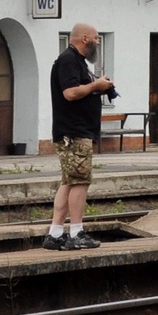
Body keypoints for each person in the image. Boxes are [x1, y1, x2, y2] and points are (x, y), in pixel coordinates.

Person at [45, 24, 115, 250]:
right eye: (96, 37)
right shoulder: (69, 60)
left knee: (69, 181)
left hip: (75, 131)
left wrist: (97, 86)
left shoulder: (77, 62)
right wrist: (96, 85)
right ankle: (76, 232)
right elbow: (70, 93)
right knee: (80, 182)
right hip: (74, 133)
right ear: (84, 39)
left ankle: (55, 233)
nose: (98, 41)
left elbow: (78, 88)